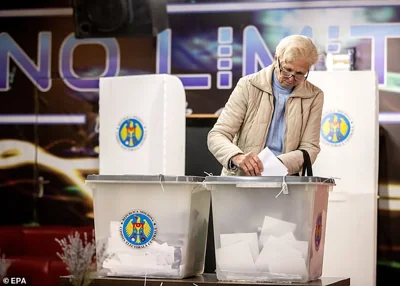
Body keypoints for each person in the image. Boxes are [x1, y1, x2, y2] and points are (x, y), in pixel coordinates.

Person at [207, 35, 324, 176]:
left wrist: (276, 164)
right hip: (241, 180)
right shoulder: (248, 85)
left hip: (285, 183)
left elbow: (310, 148)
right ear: (276, 59)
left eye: (300, 73)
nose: (291, 78)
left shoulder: (314, 95)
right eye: (287, 70)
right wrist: (236, 157)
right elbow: (217, 135)